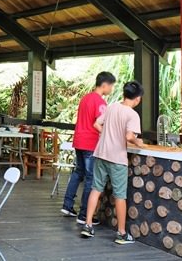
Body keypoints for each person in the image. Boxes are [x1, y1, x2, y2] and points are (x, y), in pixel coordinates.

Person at [81, 81, 145, 244]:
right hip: (117, 158)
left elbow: (97, 124)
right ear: (137, 99)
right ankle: (122, 233)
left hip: (101, 153)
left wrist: (108, 136)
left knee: (96, 189)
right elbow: (129, 136)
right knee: (120, 196)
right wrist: (139, 142)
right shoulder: (132, 114)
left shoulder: (112, 107)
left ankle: (87, 225)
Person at [62, 71, 116, 225]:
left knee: (78, 173)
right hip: (90, 143)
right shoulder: (100, 103)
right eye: (111, 86)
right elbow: (101, 124)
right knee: (90, 179)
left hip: (78, 140)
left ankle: (67, 205)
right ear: (105, 85)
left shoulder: (85, 98)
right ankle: (84, 214)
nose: (111, 89)